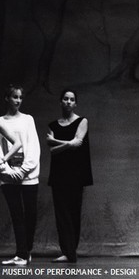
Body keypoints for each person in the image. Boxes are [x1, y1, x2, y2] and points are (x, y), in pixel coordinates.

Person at [47, 89, 93, 263]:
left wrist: (58, 143)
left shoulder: (82, 121)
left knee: (73, 212)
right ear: (60, 102)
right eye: (65, 99)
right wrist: (68, 143)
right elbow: (52, 149)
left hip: (76, 175)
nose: (68, 102)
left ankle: (70, 252)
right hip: (59, 174)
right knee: (61, 214)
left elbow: (78, 143)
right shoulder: (53, 125)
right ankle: (66, 251)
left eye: (71, 99)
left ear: (75, 103)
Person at [0, 84, 41, 266]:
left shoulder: (28, 120)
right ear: (7, 98)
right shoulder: (1, 121)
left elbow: (33, 146)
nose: (17, 100)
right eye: (14, 97)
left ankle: (26, 251)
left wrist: (23, 170)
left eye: (20, 97)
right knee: (16, 215)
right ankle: (21, 254)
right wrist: (7, 171)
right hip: (8, 177)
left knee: (30, 215)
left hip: (29, 176)